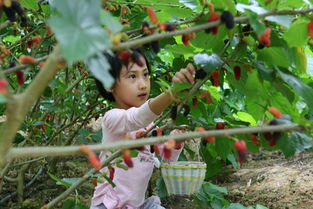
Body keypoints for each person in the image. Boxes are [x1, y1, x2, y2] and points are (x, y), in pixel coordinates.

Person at [90, 49, 196, 209]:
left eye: (145, 75)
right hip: (108, 205)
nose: (142, 84)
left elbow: (166, 158)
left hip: (138, 205)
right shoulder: (112, 118)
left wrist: (175, 142)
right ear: (109, 84)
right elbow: (135, 118)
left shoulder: (150, 126)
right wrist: (172, 93)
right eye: (132, 76)